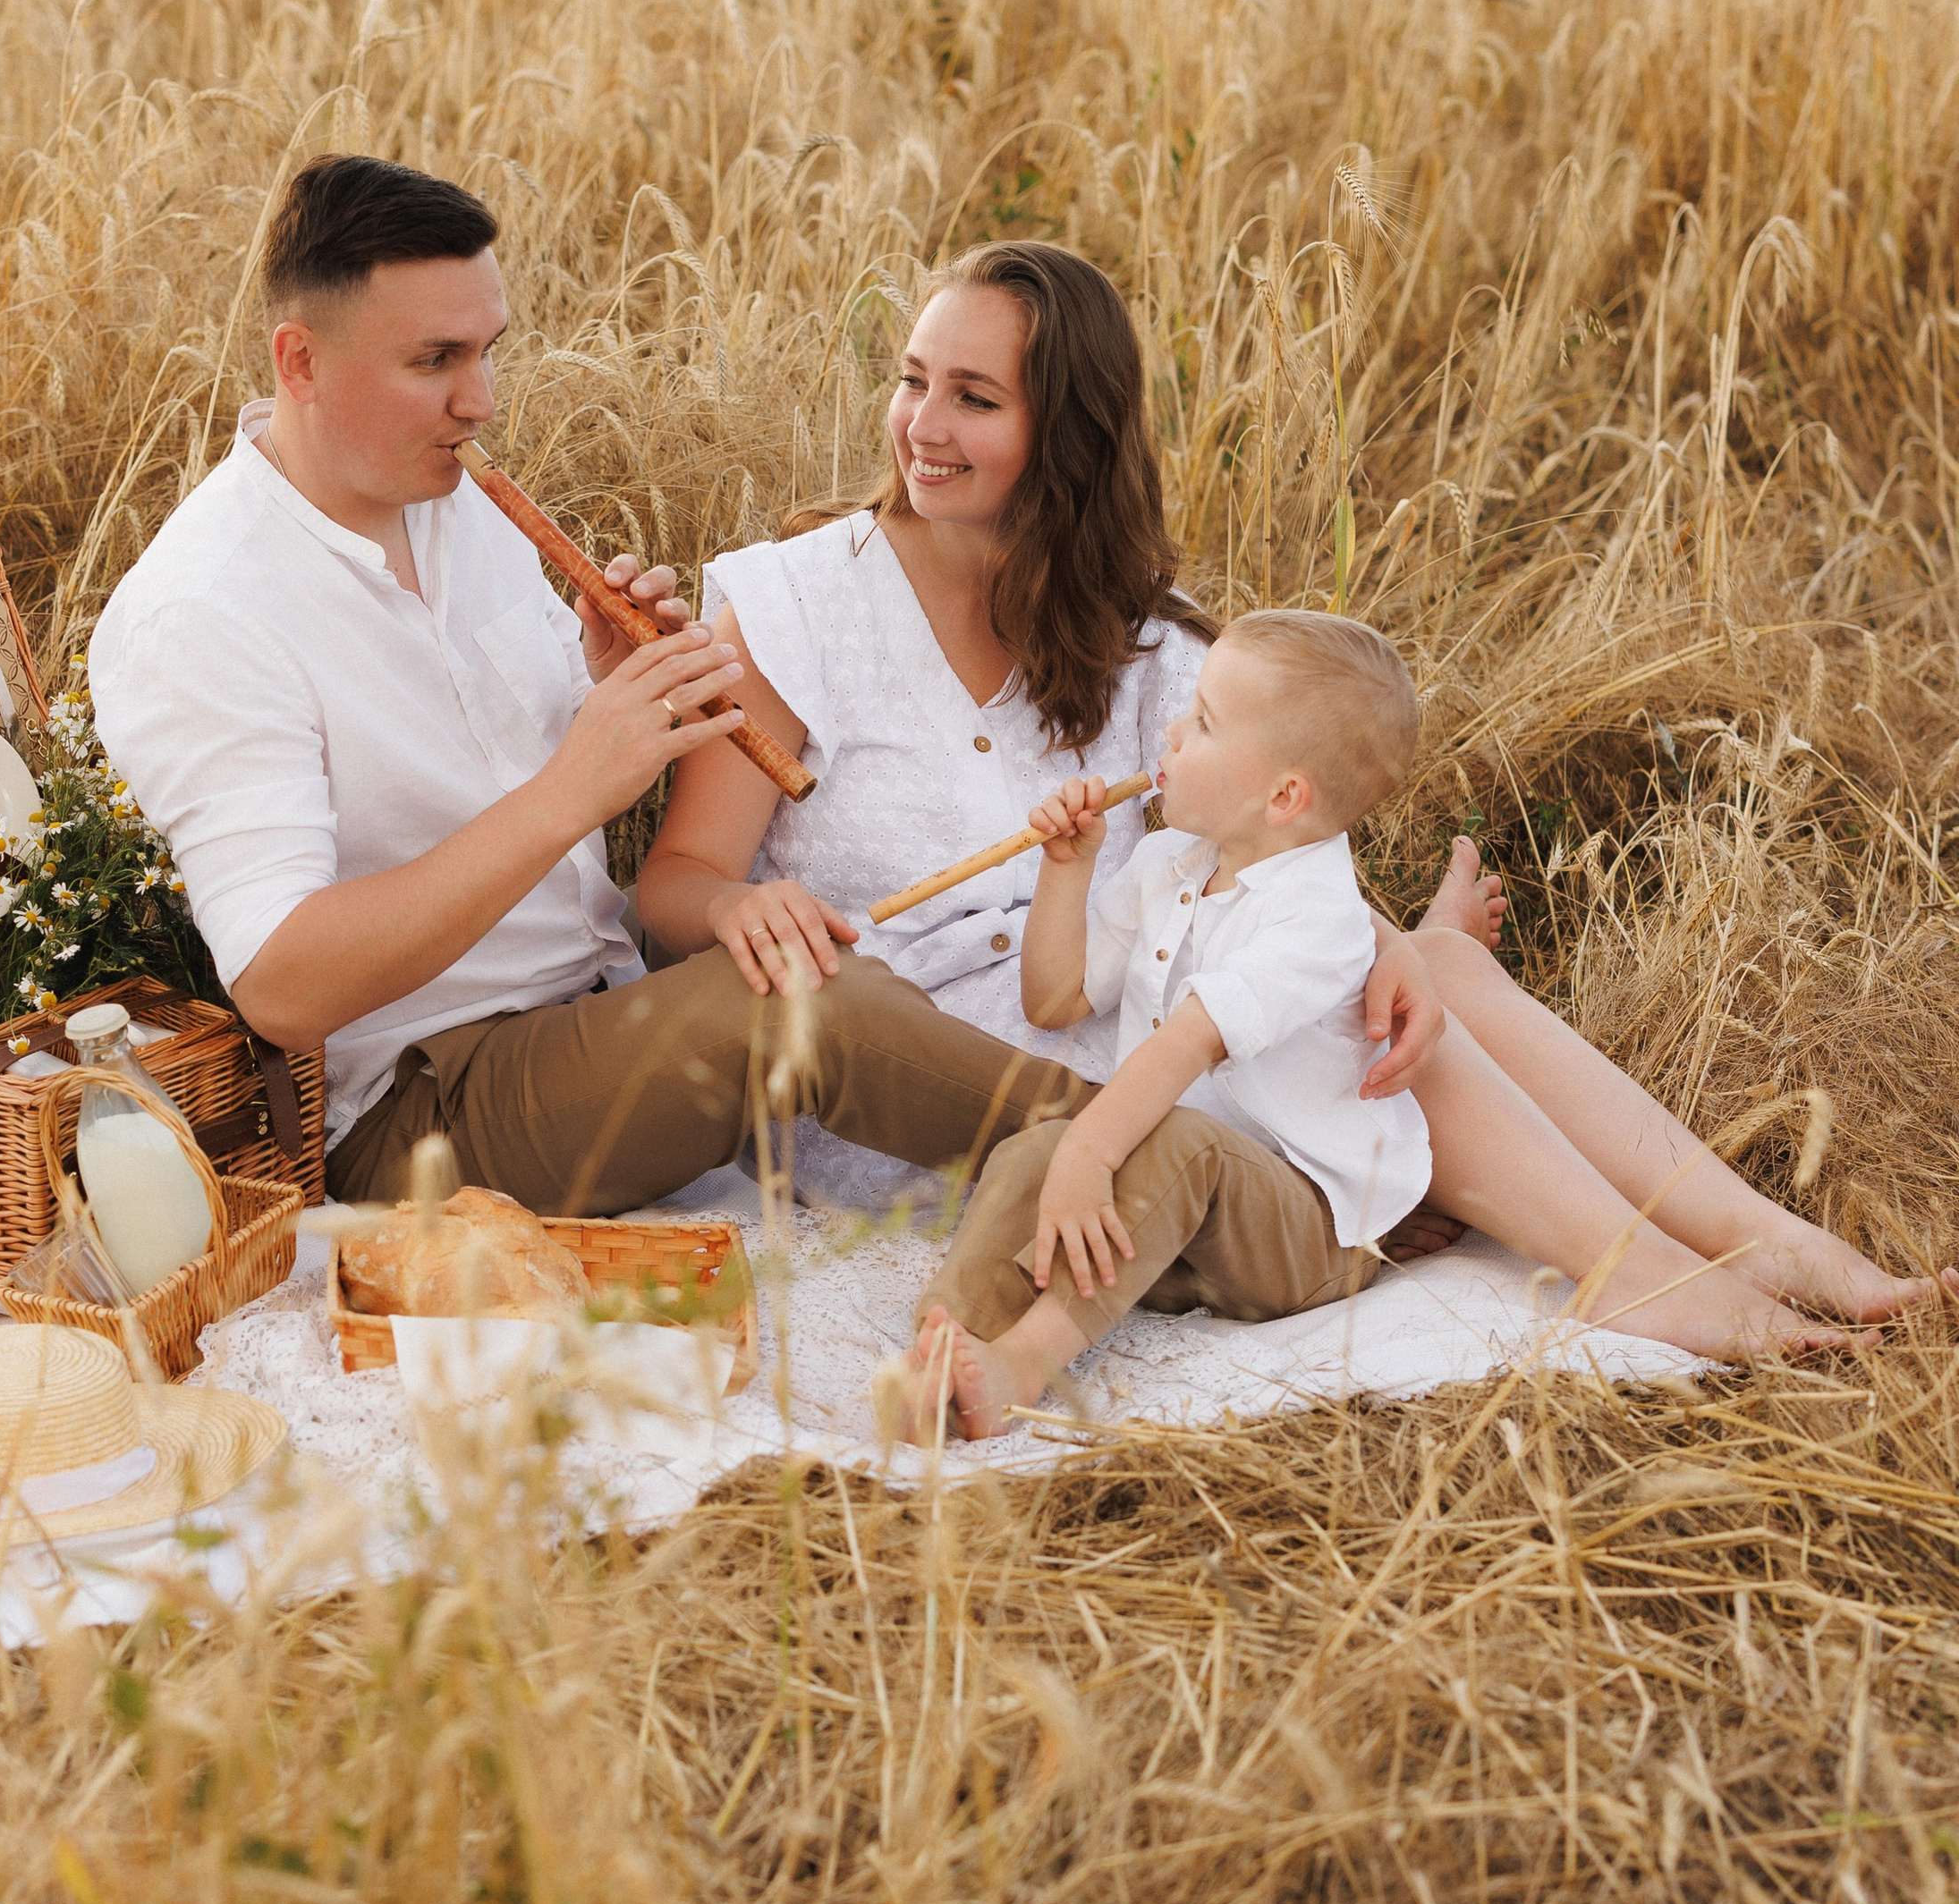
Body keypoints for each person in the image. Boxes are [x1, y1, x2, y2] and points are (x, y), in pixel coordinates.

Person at [86, 157, 1387, 1299]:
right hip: (421, 1101)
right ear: (299, 362)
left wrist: (597, 682)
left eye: (488, 349)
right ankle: (1210, 1190)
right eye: (436, 361)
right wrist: (572, 790)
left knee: (805, 989)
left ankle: (1217, 1171)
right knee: (802, 1013)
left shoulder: (444, 497)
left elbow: (513, 774)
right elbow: (281, 983)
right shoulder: (206, 614)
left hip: (592, 1012)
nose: (482, 398)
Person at [640, 239, 1948, 1359]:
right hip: (933, 1092)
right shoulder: (796, 601)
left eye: (973, 398)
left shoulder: (1147, 650)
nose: (921, 426)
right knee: (1391, 1003)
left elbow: (1275, 869)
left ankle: (1761, 1244)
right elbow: (674, 884)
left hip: (1131, 1033)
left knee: (1424, 981)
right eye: (914, 381)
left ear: (1068, 432)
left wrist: (1397, 957)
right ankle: (1656, 1282)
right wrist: (744, 905)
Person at [893, 610, 1433, 1439]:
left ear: (1284, 797)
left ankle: (1022, 1367)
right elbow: (1057, 1000)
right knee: (1035, 1149)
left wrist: (1091, 1149)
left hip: (1307, 1231)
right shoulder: (1170, 863)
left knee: (1163, 1145)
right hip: (1185, 1212)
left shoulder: (1319, 917)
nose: (1173, 731)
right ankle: (950, 1341)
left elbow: (1187, 1042)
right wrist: (1064, 872)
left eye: (1204, 722)